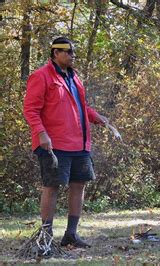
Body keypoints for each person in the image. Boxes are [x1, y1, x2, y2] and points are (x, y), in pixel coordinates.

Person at [23, 37, 109, 248]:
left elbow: (81, 106)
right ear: (55, 53)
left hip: (80, 144)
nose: (73, 55)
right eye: (68, 52)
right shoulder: (41, 76)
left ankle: (71, 234)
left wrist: (96, 117)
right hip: (53, 144)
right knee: (51, 186)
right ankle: (46, 237)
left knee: (79, 185)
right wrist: (41, 133)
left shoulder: (75, 78)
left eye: (73, 52)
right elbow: (30, 109)